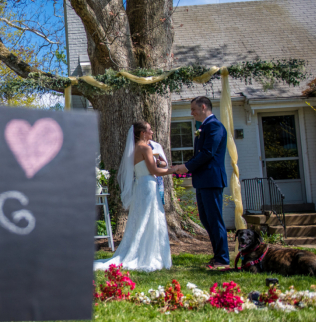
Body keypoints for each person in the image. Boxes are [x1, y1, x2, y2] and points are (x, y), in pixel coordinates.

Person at [94, 121, 174, 272]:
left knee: (142, 220)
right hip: (149, 187)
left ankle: (143, 251)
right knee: (150, 220)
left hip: (140, 186)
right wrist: (174, 170)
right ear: (143, 133)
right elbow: (155, 171)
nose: (152, 132)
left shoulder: (135, 148)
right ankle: (149, 255)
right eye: (150, 130)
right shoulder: (145, 148)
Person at [174, 96, 229, 269]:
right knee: (206, 219)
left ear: (203, 106)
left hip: (212, 179)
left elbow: (208, 153)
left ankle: (223, 259)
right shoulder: (204, 127)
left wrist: (187, 166)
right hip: (203, 180)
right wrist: (187, 167)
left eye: (193, 109)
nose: (192, 113)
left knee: (214, 219)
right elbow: (200, 153)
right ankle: (217, 256)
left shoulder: (214, 126)